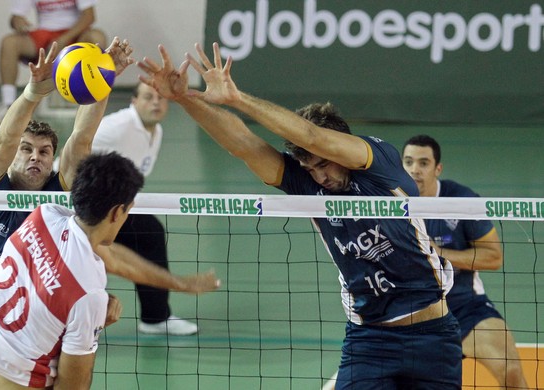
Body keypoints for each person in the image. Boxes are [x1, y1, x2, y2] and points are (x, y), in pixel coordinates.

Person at [136, 43, 463, 388]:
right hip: (370, 341)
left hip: (432, 335)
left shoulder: (377, 161)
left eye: (323, 163)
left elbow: (312, 136)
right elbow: (243, 144)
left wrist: (237, 98)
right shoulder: (308, 185)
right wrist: (185, 97)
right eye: (309, 168)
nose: (319, 176)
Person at [0, 151, 219, 390]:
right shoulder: (88, 294)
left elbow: (111, 257)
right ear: (117, 212)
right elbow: (72, 386)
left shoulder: (43, 215)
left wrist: (179, 284)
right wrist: (90, 321)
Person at [0, 36, 132, 324]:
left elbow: (80, 140)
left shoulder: (57, 193)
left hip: (41, 339)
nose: (35, 157)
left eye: (44, 152)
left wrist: (103, 75)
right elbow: (5, 140)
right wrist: (32, 93)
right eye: (26, 149)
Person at [402, 135, 528, 389]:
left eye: (423, 163)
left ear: (438, 168)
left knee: (512, 370)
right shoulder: (388, 204)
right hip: (414, 314)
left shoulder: (461, 200)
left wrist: (439, 253)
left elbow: (494, 256)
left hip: (466, 308)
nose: (415, 169)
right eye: (408, 162)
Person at [91, 83, 198, 335]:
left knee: (150, 234)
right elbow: (75, 157)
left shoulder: (156, 132)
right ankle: (155, 317)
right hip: (86, 205)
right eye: (148, 97)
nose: (156, 103)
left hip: (116, 205)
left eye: (161, 98)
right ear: (134, 100)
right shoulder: (115, 127)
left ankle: (155, 317)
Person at [0, 0, 107, 127]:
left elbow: (89, 16)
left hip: (74, 34)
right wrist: (18, 22)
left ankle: (91, 103)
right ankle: (8, 105)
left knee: (97, 37)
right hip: (44, 35)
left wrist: (63, 39)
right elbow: (15, 17)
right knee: (9, 42)